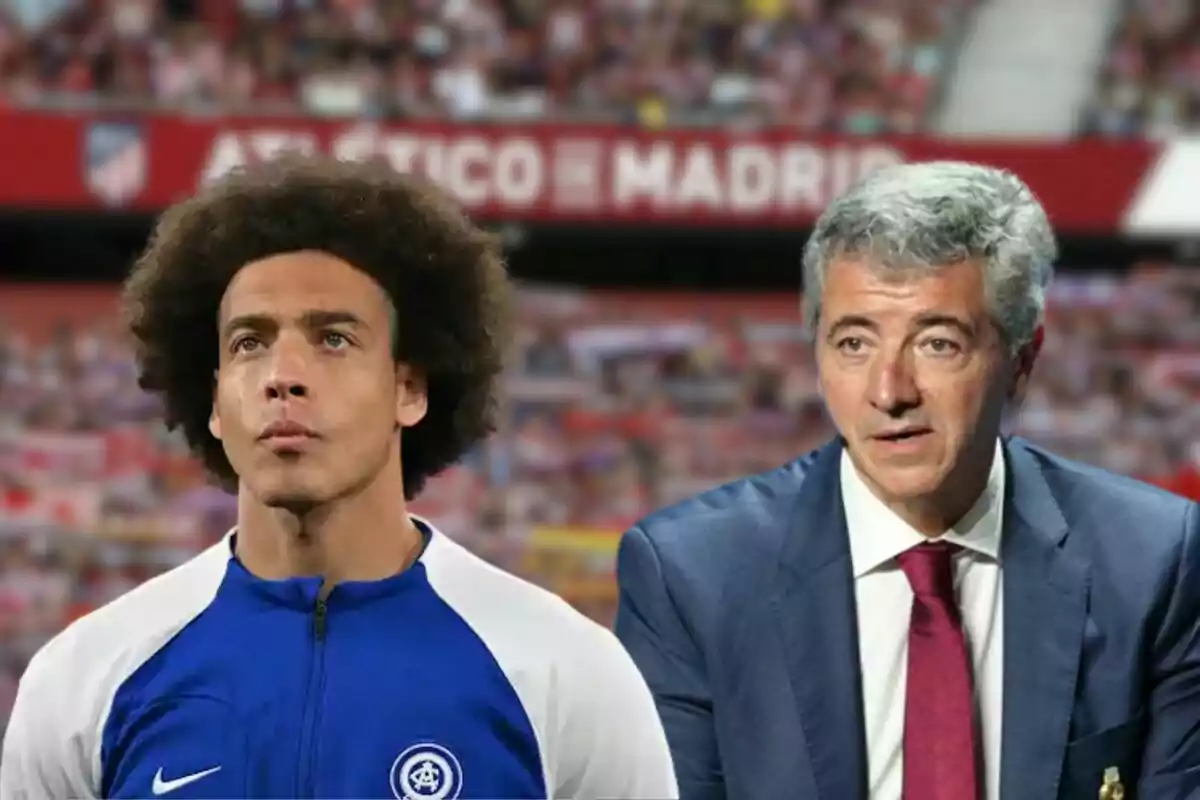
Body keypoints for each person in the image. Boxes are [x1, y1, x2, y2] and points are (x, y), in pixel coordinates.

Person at [0, 155, 677, 800]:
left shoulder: (565, 673)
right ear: (211, 402)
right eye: (249, 342)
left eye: (332, 339)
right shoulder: (86, 680)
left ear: (409, 389)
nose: (282, 376)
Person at [614, 161, 1200, 800]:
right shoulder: (691, 575)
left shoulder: (1153, 563)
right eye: (854, 344)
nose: (890, 393)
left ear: (1022, 361)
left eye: (937, 343)